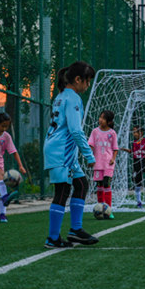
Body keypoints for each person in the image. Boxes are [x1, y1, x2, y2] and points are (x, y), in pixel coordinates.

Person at [43, 61, 98, 248]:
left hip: (61, 149)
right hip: (61, 151)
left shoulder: (61, 96)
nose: (87, 85)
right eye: (87, 81)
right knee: (63, 191)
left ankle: (75, 230)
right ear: (77, 80)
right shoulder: (73, 98)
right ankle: (52, 238)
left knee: (81, 184)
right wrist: (89, 155)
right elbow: (75, 130)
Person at [88, 110, 118, 217]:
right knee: (99, 185)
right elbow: (91, 145)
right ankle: (100, 207)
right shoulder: (95, 132)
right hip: (98, 163)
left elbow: (115, 149)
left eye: (103, 118)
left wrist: (113, 159)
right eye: (100, 117)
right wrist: (89, 158)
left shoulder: (112, 133)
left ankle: (108, 209)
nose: (100, 120)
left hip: (108, 164)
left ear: (109, 122)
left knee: (106, 183)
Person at [121, 127, 145, 208]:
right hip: (136, 163)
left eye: (136, 132)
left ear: (141, 133)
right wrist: (126, 150)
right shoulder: (134, 143)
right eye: (133, 132)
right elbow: (133, 151)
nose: (134, 134)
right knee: (137, 183)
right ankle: (139, 202)